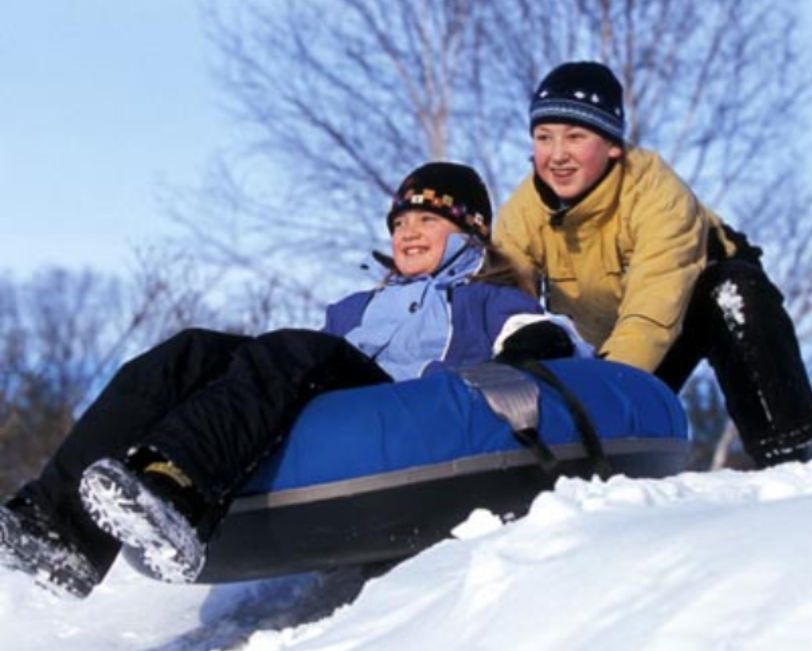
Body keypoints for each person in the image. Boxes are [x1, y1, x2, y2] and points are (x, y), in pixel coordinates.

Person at [0, 162, 580, 599]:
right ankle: (61, 528)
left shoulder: (485, 299)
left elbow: (551, 337)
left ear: (469, 232)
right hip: (326, 398)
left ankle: (174, 482)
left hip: (400, 414)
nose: (408, 232)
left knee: (297, 347)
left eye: (428, 219)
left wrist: (536, 342)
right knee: (191, 348)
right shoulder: (354, 308)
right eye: (400, 221)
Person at [494, 61, 812, 469]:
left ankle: (784, 457)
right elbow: (502, 300)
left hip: (678, 319)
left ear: (613, 145)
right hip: (597, 348)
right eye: (544, 138)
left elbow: (652, 314)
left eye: (575, 137)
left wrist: (602, 403)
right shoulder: (522, 212)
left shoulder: (659, 196)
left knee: (733, 291)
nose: (557, 154)